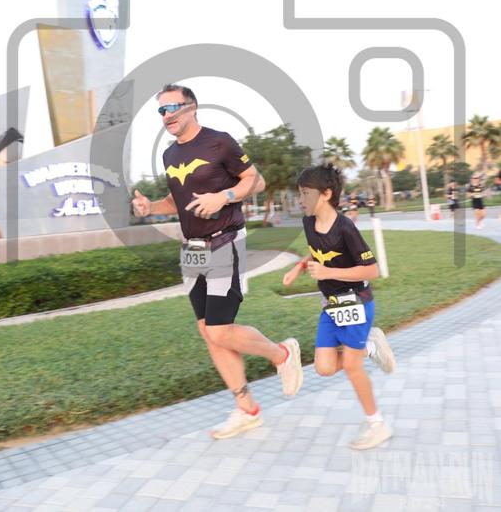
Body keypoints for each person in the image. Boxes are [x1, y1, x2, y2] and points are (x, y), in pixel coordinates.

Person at [132, 84, 303, 439]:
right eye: (161, 111)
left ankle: (282, 354)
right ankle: (247, 409)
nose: (166, 116)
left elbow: (256, 181)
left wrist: (223, 196)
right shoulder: (169, 155)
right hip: (191, 250)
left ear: (192, 107)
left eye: (172, 108)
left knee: (220, 329)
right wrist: (150, 207)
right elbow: (175, 201)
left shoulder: (219, 141)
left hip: (225, 243)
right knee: (207, 330)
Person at [283, 163, 396, 450]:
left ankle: (377, 425)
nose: (301, 199)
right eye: (300, 193)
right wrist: (299, 267)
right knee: (323, 367)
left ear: (326, 194)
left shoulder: (345, 228)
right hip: (331, 305)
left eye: (306, 193)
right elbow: (318, 253)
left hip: (357, 301)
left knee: (351, 366)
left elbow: (371, 270)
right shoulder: (308, 222)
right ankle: (371, 346)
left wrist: (328, 273)